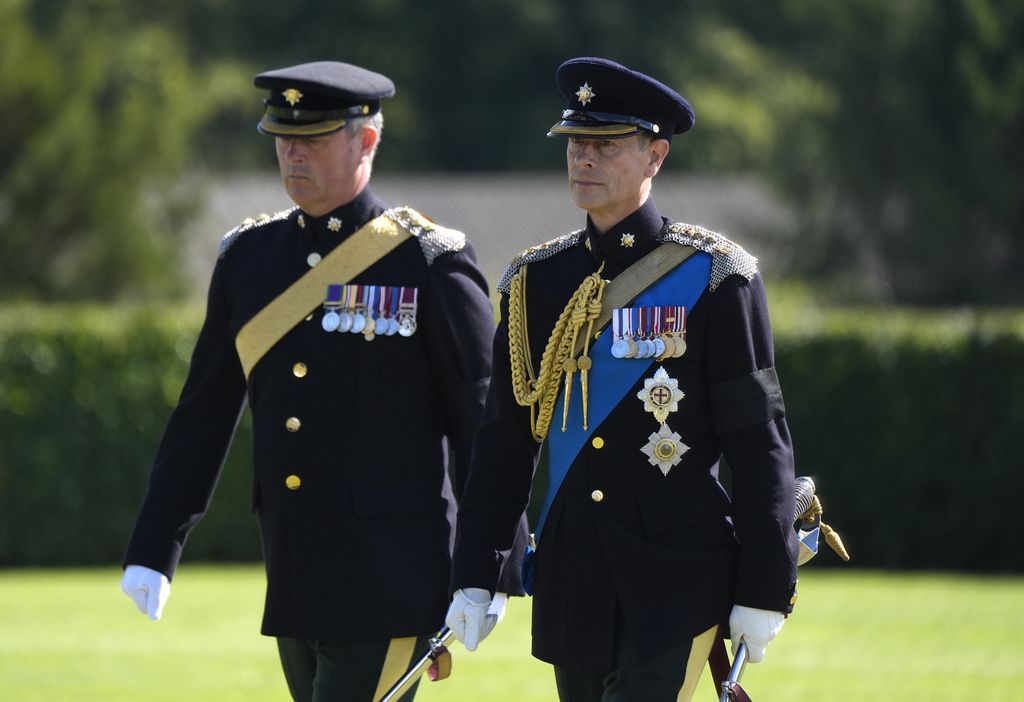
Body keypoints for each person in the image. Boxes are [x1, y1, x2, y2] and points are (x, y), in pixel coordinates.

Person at [120, 60, 523, 702]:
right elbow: (203, 412)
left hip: (394, 580)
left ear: (366, 140)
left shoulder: (428, 262)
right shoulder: (248, 260)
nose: (291, 154)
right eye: (282, 137)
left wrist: (491, 565)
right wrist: (155, 543)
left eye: (312, 138)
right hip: (297, 573)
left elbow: (483, 425)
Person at [445, 57, 800, 701]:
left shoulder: (716, 277)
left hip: (679, 581)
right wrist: (479, 568)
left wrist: (765, 585)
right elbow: (504, 442)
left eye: (607, 144)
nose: (585, 158)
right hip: (572, 578)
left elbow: (758, 441)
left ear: (655, 156)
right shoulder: (533, 283)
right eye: (577, 142)